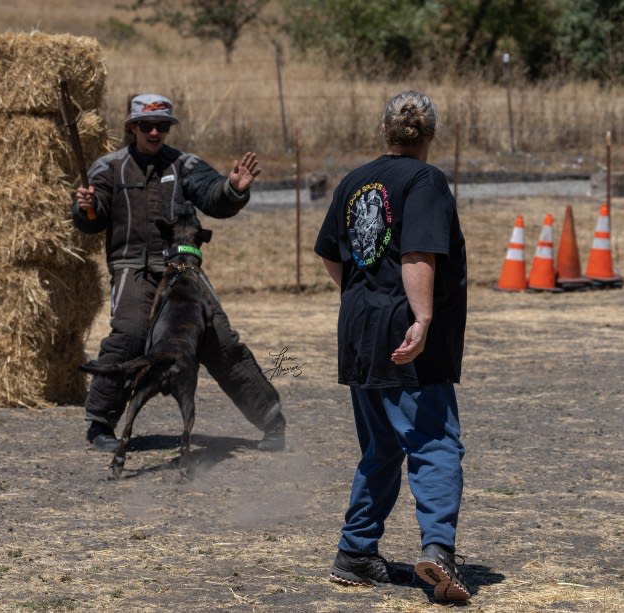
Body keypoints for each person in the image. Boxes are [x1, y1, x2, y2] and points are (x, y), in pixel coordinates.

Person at [313, 91, 471, 602]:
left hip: (359, 328)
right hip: (403, 330)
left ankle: (356, 553)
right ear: (430, 135)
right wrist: (421, 318)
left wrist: (364, 296)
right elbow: (416, 253)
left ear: (385, 131)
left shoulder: (356, 180)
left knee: (381, 446)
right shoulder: (425, 180)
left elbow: (331, 255)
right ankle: (439, 551)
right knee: (434, 442)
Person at [71, 93, 286, 454]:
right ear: (132, 128)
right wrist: (87, 208)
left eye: (162, 126)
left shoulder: (185, 165)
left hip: (183, 268)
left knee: (220, 339)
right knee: (131, 334)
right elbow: (92, 219)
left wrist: (233, 189)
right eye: (146, 126)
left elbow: (213, 196)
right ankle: (100, 422)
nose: (155, 132)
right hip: (132, 268)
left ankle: (271, 420)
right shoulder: (107, 168)